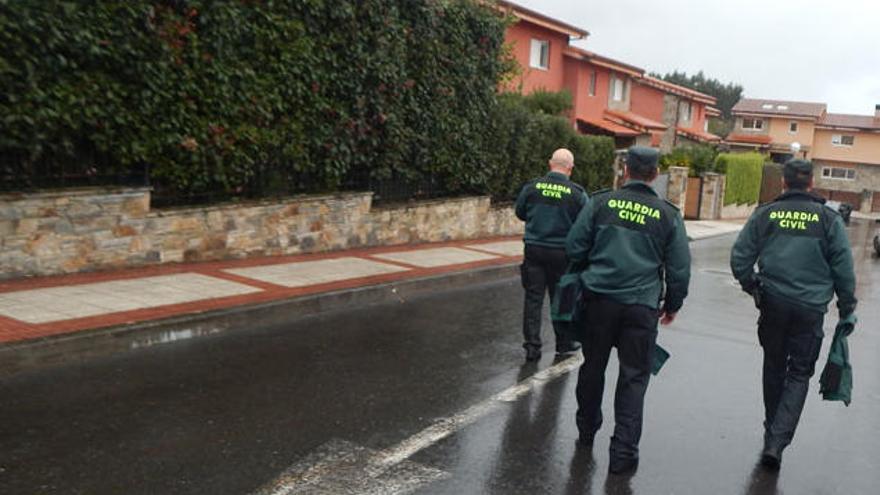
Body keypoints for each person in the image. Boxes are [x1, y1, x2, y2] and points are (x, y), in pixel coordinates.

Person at [565, 146, 690, 475]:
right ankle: (623, 453)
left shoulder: (601, 202)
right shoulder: (668, 214)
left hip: (599, 302)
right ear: (655, 174)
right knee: (634, 378)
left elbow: (575, 246)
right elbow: (679, 268)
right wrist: (672, 304)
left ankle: (586, 431)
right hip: (641, 306)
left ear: (626, 170)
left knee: (593, 367)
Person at [730, 158, 856, 470]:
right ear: (811, 183)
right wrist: (846, 305)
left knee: (773, 366)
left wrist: (753, 287)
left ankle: (772, 430)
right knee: (799, 373)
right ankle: (776, 441)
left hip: (773, 303)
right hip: (810, 308)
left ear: (783, 183)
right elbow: (843, 266)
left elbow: (740, 257)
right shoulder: (828, 219)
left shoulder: (767, 213)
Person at [515, 148, 589, 362]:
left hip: (534, 250)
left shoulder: (532, 187)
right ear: (570, 169)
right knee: (562, 298)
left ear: (550, 164)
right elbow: (584, 224)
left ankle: (532, 347)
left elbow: (520, 212)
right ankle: (563, 344)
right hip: (562, 253)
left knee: (533, 298)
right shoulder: (576, 193)